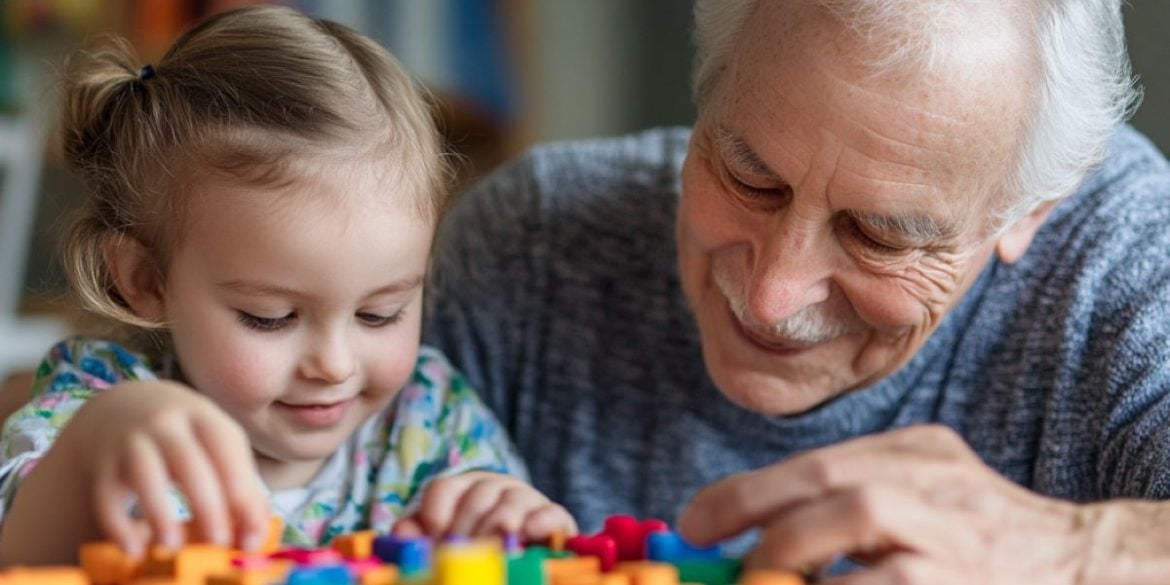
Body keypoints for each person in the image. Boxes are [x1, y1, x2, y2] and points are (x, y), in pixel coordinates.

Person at [426, 0, 1170, 581]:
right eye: (749, 178)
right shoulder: (533, 244)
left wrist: (1076, 549)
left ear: (1030, 212)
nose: (773, 293)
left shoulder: (1135, 260)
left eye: (880, 234)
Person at [0, 5, 576, 566]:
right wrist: (91, 449)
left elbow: (516, 542)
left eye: (381, 313)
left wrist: (508, 519)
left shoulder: (431, 419)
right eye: (272, 316)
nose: (334, 365)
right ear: (146, 280)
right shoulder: (102, 401)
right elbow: (19, 555)